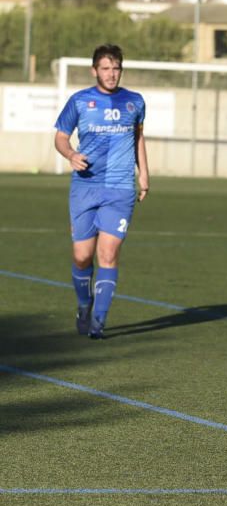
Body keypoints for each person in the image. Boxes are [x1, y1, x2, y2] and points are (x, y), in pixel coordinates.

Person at [54, 44, 149, 339]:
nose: (112, 74)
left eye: (116, 68)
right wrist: (70, 154)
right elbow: (60, 137)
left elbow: (138, 137)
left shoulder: (134, 102)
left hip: (120, 188)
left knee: (108, 254)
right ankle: (85, 305)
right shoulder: (80, 101)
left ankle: (99, 321)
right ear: (95, 70)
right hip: (85, 186)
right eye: (106, 68)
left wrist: (143, 173)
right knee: (83, 256)